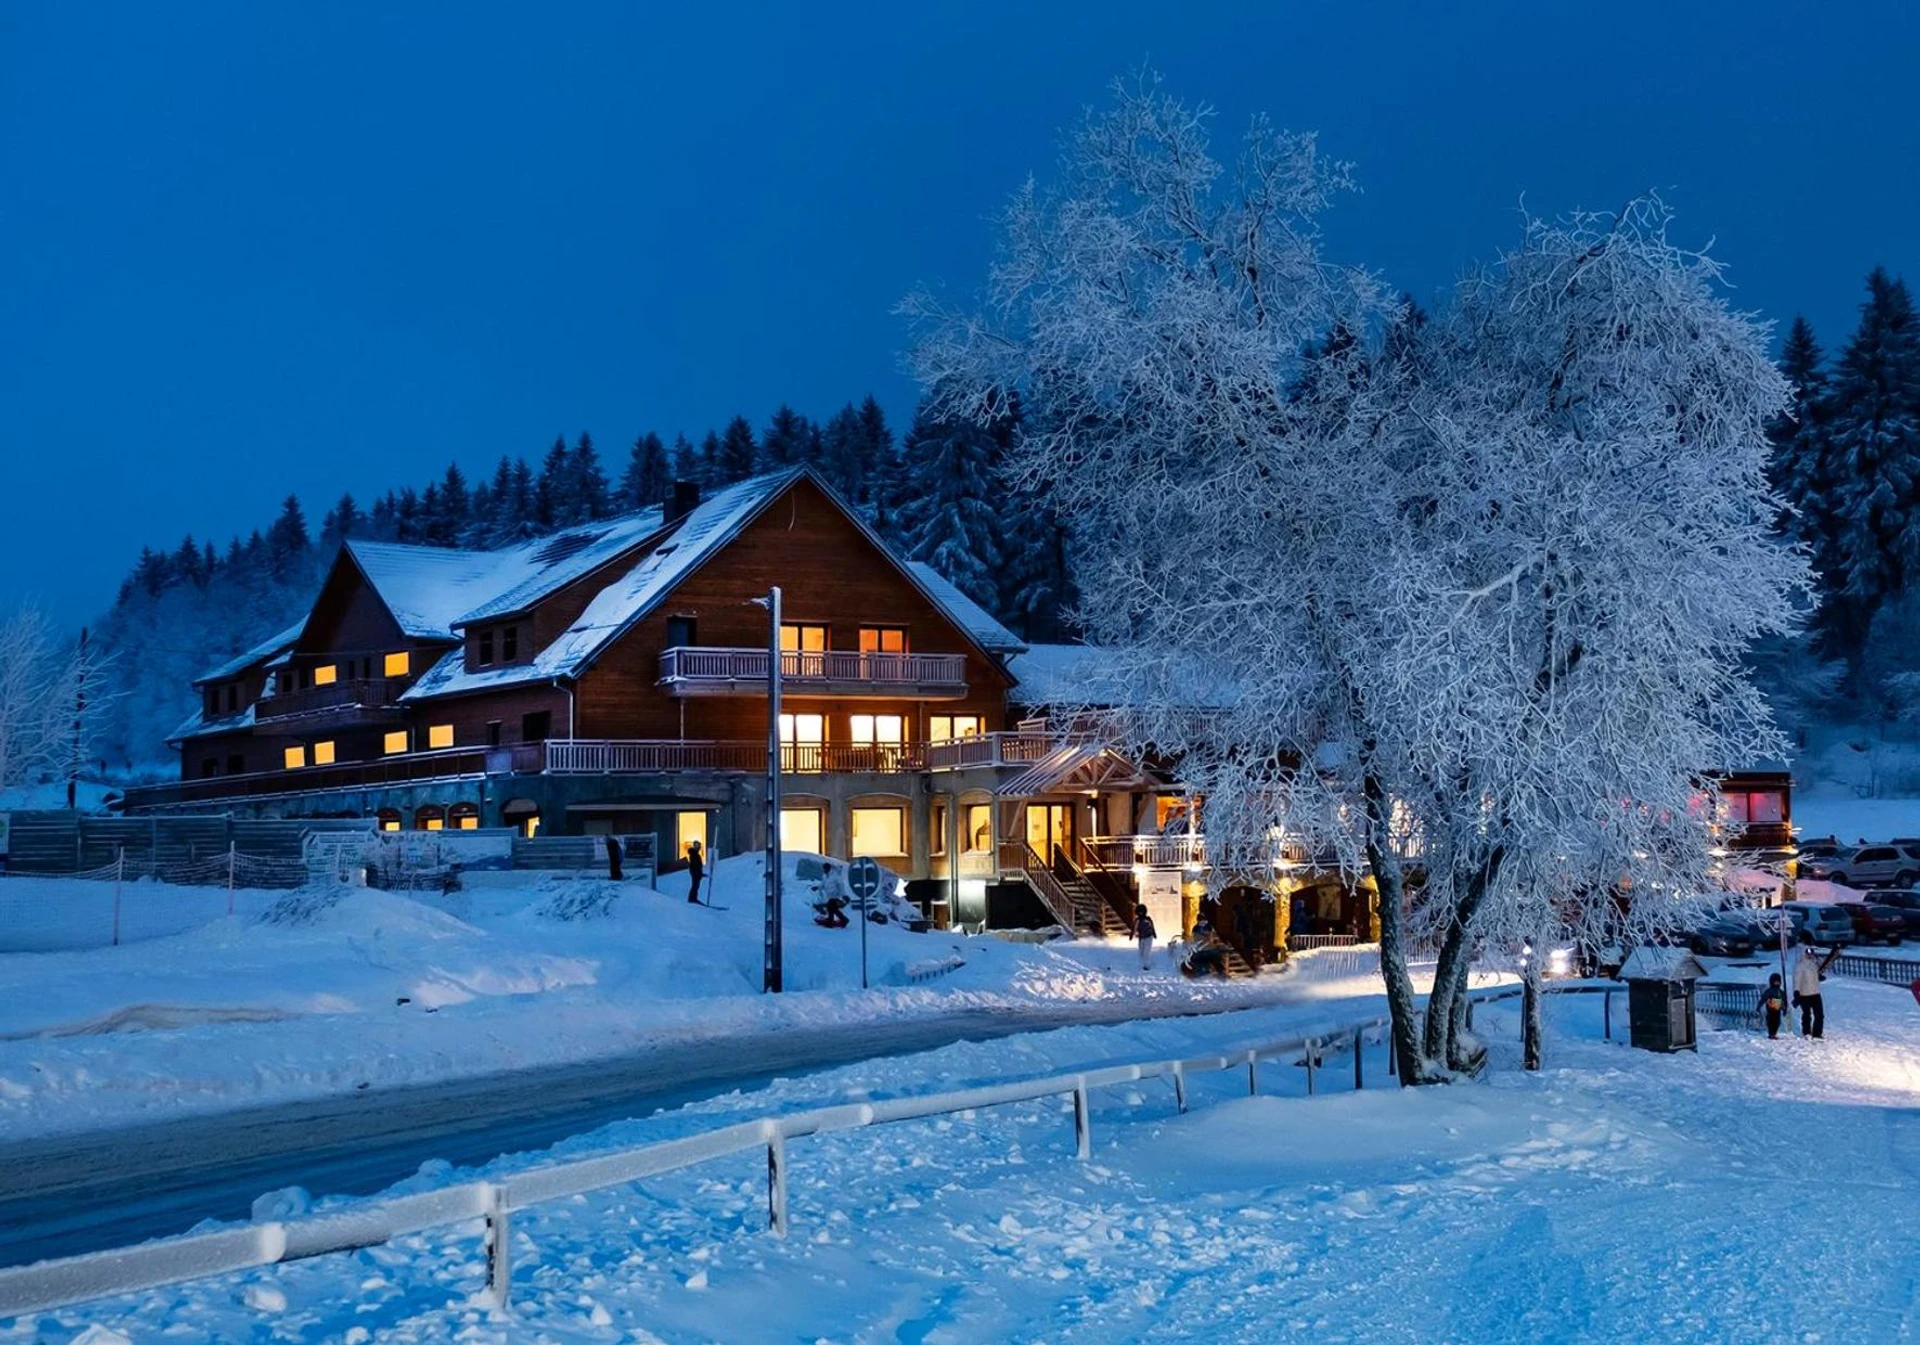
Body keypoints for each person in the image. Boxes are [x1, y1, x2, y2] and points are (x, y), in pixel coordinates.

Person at [1792, 946, 1825, 1038]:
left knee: (1819, 1014)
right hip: (1804, 994)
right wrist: (1796, 991)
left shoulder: (1814, 964)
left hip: (1815, 993)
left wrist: (1818, 977)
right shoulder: (1800, 966)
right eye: (1807, 953)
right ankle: (1806, 1032)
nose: (1809, 955)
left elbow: (1815, 976)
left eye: (1811, 953)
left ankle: (1817, 1033)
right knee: (1807, 1014)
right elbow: (1797, 979)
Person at [1758, 973, 1788, 1039]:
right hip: (1770, 1008)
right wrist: (1759, 1006)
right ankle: (1771, 1033)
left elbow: (1784, 1001)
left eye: (1778, 982)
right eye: (1775, 982)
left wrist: (1784, 1009)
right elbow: (1763, 998)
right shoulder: (1769, 991)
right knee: (1771, 1020)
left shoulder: (1781, 992)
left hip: (1777, 1009)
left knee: (1777, 1021)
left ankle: (1774, 1033)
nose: (1776, 984)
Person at [1133, 904, 1157, 970]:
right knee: (1141, 952)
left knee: (1147, 951)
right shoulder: (1137, 920)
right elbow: (1134, 927)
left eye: (1142, 912)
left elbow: (1152, 926)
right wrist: (1132, 935)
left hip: (1148, 937)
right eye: (1139, 912)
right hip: (1141, 938)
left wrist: (1154, 934)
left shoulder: (1147, 919)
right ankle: (1143, 964)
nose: (1140, 913)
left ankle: (1147, 966)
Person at [685, 839, 705, 905]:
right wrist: (698, 871)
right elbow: (694, 864)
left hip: (697, 872)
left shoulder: (696, 854)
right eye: (697, 845)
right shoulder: (693, 854)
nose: (699, 847)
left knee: (696, 885)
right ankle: (692, 899)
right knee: (695, 885)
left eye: (699, 845)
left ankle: (693, 898)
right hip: (695, 872)